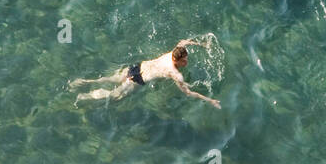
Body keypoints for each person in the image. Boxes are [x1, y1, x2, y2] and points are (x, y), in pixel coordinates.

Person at [71, 38, 219, 107]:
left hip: (136, 67)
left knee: (111, 79)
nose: (186, 62)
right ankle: (85, 96)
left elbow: (184, 42)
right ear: (177, 60)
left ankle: (87, 82)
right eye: (184, 61)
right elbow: (188, 93)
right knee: (115, 96)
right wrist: (210, 100)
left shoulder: (173, 51)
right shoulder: (175, 73)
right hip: (137, 80)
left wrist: (202, 44)